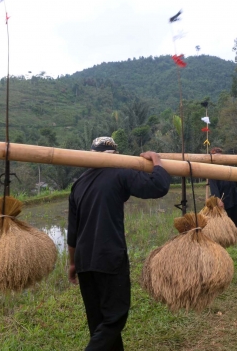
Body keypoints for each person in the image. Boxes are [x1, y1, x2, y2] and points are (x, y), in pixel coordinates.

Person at [67, 137, 170, 351]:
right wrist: (157, 162)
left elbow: (73, 233)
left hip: (84, 261)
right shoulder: (120, 172)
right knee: (115, 317)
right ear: (116, 156)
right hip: (109, 257)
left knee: (99, 323)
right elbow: (159, 186)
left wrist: (72, 264)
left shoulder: (78, 184)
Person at [208, 147, 237, 227]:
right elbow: (214, 191)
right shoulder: (212, 172)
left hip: (234, 202)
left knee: (234, 227)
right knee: (224, 228)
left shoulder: (230, 169)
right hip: (224, 206)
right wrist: (219, 202)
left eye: (221, 157)